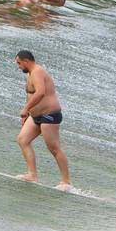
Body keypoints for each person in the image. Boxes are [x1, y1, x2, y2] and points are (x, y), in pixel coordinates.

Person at [15, 50, 71, 190]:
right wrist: (28, 114)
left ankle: (66, 182)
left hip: (49, 115)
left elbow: (40, 92)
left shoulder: (37, 72)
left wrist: (26, 108)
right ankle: (32, 174)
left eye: (19, 63)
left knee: (54, 148)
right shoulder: (30, 73)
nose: (18, 66)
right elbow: (31, 94)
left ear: (26, 61)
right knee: (23, 140)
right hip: (35, 117)